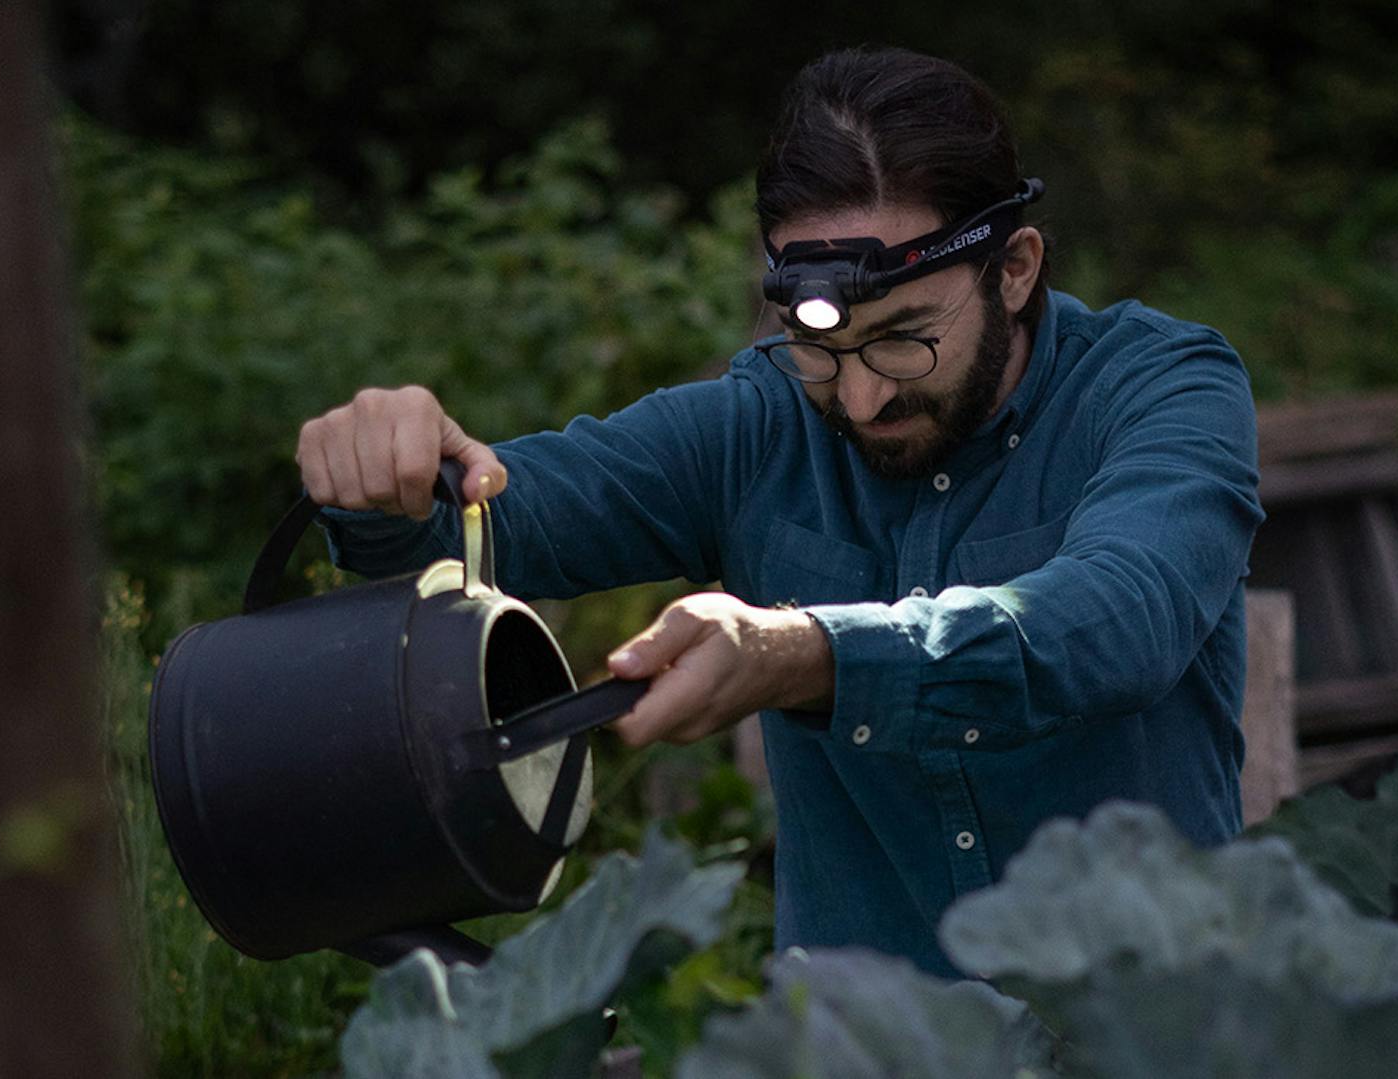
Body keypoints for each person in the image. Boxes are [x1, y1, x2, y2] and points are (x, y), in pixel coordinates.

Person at [300, 47, 1262, 978]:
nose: (858, 402)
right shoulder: (755, 426)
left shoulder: (1160, 388)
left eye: (904, 340)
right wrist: (390, 471)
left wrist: (813, 655)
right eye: (823, 351)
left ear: (1013, 268)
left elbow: (1122, 616)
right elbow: (491, 518)